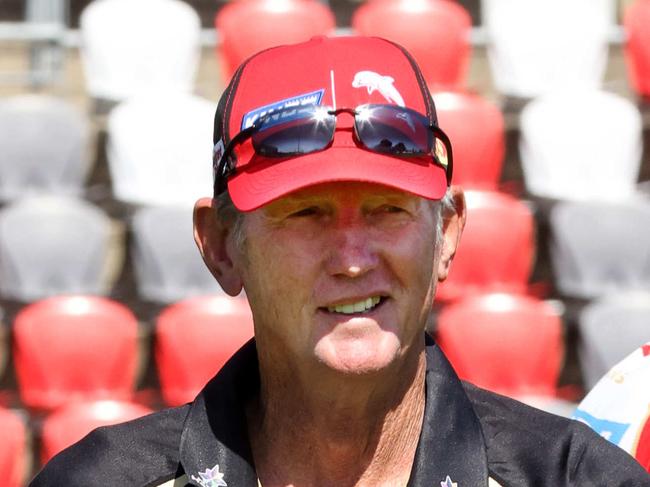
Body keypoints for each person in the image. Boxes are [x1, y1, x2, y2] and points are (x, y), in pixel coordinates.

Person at [31, 36, 650, 487]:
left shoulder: (576, 476)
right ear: (221, 246)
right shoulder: (98, 479)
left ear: (447, 235)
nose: (353, 260)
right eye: (305, 214)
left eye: (387, 210)